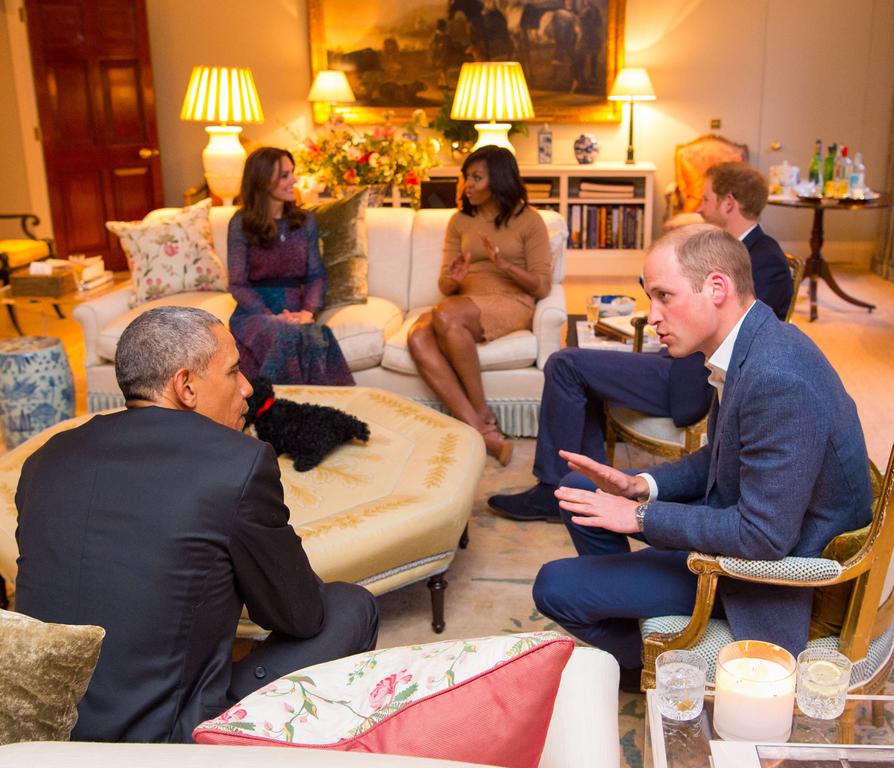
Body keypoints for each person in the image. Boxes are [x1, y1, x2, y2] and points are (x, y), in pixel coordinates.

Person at [14, 306, 379, 743]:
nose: (247, 388)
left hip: (43, 730)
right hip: (162, 741)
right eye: (233, 371)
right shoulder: (236, 463)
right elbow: (299, 615)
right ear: (185, 386)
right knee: (350, 606)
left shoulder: (46, 458)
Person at [531, 224, 872, 689]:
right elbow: (723, 454)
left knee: (554, 587)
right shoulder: (751, 343)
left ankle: (649, 664)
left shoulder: (777, 378)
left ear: (716, 288)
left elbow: (763, 536)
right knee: (575, 490)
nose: (653, 316)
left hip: (767, 576)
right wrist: (641, 485)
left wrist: (641, 516)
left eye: (664, 296)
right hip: (742, 519)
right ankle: (643, 624)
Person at [489, 162, 792, 521]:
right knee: (580, 359)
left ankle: (554, 491)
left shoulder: (765, 260)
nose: (700, 205)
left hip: (692, 376)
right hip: (676, 360)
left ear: (729, 203)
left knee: (565, 363)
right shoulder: (724, 246)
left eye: (707, 198)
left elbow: (743, 342)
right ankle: (584, 486)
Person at [407, 145, 553, 465]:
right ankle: (480, 429)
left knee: (445, 314)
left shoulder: (530, 221)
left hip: (511, 300)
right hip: (463, 301)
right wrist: (455, 278)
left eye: (476, 177)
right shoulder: (460, 221)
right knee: (417, 336)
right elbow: (445, 286)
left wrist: (506, 267)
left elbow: (542, 286)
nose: (466, 185)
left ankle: (482, 413)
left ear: (498, 179)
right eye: (465, 177)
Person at [228, 146, 354, 386]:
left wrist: (308, 312)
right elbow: (237, 283)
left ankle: (326, 410)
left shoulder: (305, 221)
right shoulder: (241, 223)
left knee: (317, 337)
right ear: (264, 181)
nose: (294, 180)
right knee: (284, 335)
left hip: (295, 310)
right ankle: (280, 409)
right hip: (255, 312)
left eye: (292, 173)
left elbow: (317, 275)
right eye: (285, 175)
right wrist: (270, 316)